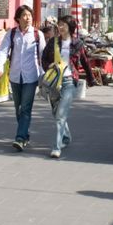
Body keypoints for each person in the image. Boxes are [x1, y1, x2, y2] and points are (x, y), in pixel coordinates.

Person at [40, 15, 95, 159]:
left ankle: (56, 147)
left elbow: (85, 62)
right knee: (56, 113)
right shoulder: (53, 42)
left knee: (60, 115)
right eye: (59, 24)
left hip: (69, 81)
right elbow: (43, 58)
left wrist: (91, 79)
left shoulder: (77, 44)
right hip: (54, 81)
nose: (60, 27)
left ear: (70, 27)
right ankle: (67, 137)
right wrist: (48, 66)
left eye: (63, 24)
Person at [0, 5, 46, 151]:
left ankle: (20, 137)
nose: (28, 18)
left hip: (31, 77)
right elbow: (3, 51)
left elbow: (43, 55)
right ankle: (25, 134)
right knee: (18, 108)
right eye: (24, 15)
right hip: (15, 76)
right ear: (18, 18)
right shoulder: (11, 34)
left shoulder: (38, 34)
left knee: (26, 108)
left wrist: (44, 74)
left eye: (29, 15)